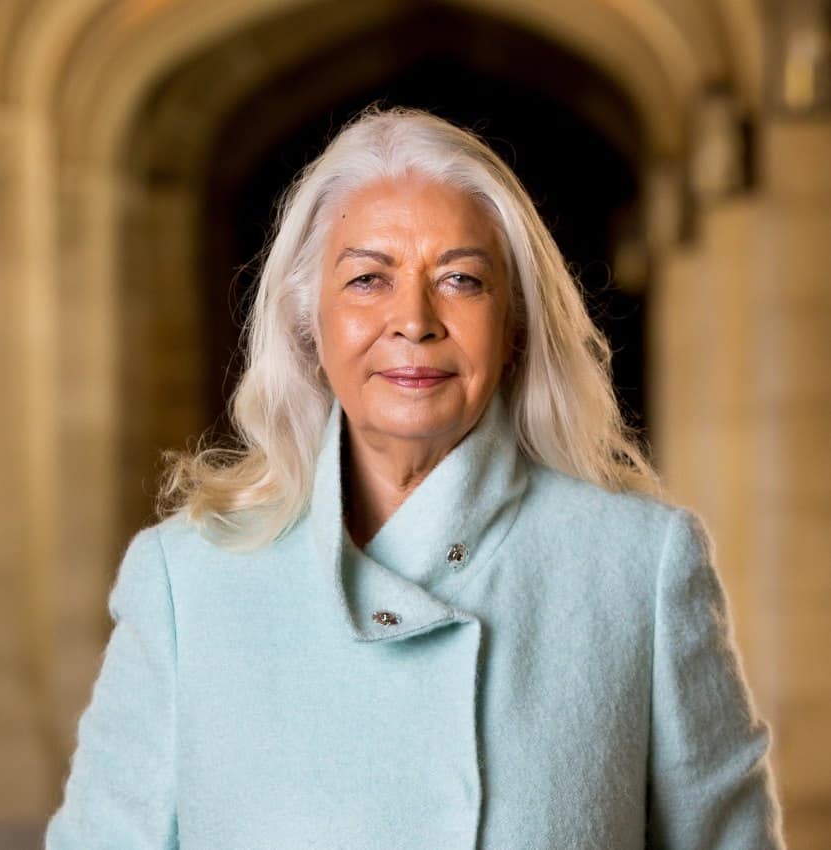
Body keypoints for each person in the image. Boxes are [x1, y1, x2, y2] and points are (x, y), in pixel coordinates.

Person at [44, 104, 787, 849]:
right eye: (369, 279)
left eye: (461, 279)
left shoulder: (639, 568)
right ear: (310, 322)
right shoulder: (186, 580)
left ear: (514, 325)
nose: (415, 319)